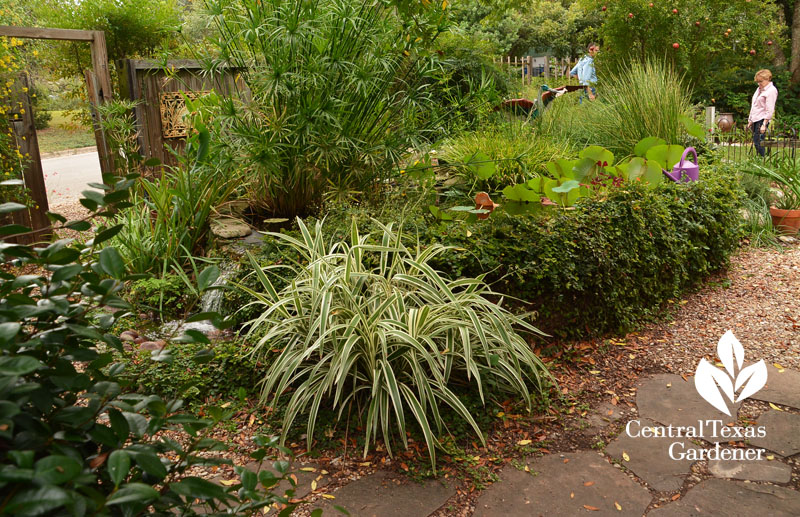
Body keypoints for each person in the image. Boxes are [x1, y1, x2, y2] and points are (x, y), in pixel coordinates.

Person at [747, 69, 778, 157]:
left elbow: (769, 109)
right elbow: (754, 105)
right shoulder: (759, 89)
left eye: (761, 81)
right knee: (756, 141)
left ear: (768, 79)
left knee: (759, 141)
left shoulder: (771, 91)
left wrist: (764, 124)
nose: (759, 83)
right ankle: (760, 158)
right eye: (757, 81)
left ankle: (763, 159)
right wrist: (750, 120)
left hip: (762, 119)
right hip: (755, 118)